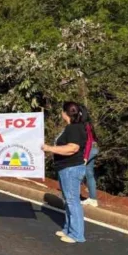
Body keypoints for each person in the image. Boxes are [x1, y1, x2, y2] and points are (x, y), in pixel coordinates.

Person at [43, 101, 88, 244]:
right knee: (68, 200)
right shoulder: (72, 127)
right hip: (66, 168)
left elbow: (73, 148)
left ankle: (76, 234)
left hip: (71, 168)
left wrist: (50, 148)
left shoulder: (74, 128)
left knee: (72, 201)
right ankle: (68, 229)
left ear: (65, 113)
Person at [81, 105, 100, 207]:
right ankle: (93, 199)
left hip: (90, 149)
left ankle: (70, 196)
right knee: (89, 173)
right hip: (94, 147)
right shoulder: (88, 123)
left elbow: (88, 141)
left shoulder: (84, 125)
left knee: (77, 171)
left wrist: (85, 156)